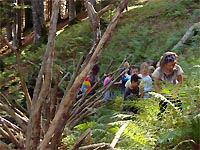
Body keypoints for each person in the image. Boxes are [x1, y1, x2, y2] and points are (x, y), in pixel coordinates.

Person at [152, 51, 183, 116]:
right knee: (162, 109)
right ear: (164, 64)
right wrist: (160, 95)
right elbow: (156, 84)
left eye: (173, 65)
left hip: (174, 88)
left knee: (179, 107)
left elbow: (180, 81)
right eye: (170, 65)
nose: (172, 67)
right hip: (163, 90)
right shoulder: (158, 71)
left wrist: (175, 91)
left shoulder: (177, 68)